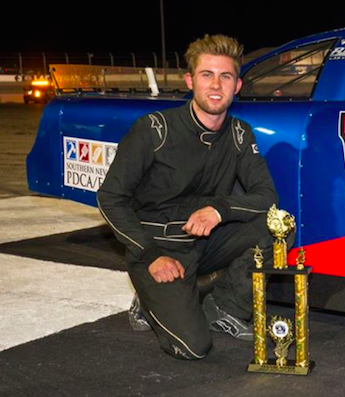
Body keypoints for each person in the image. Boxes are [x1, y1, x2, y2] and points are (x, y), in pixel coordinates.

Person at [97, 34, 281, 360]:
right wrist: (150, 254)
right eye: (206, 74)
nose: (216, 84)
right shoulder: (154, 129)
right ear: (189, 81)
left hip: (204, 240)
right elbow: (110, 197)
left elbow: (266, 196)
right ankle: (148, 298)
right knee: (194, 347)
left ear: (237, 85)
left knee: (277, 227)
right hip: (159, 248)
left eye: (225, 76)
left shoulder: (240, 134)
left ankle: (224, 307)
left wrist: (220, 210)